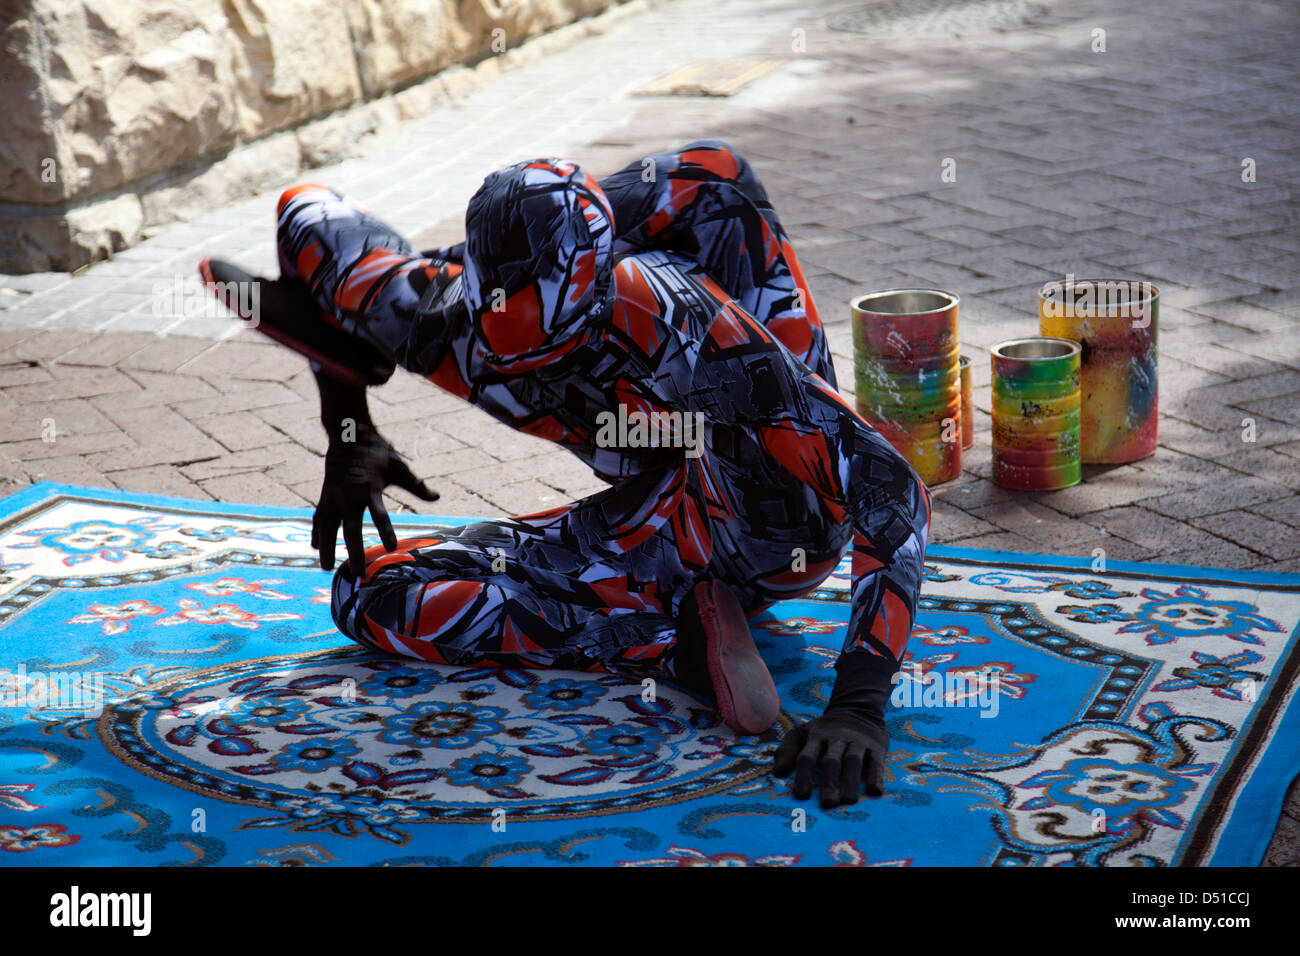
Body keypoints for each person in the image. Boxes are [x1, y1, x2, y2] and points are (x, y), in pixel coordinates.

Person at [200, 140, 931, 808]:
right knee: (370, 594)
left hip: (765, 506)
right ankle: (676, 637)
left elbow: (889, 485)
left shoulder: (671, 307)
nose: (552, 378)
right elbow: (306, 212)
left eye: (564, 354)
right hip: (664, 497)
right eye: (526, 363)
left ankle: (674, 617)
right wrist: (348, 421)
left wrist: (859, 704)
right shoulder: (438, 316)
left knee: (718, 186)